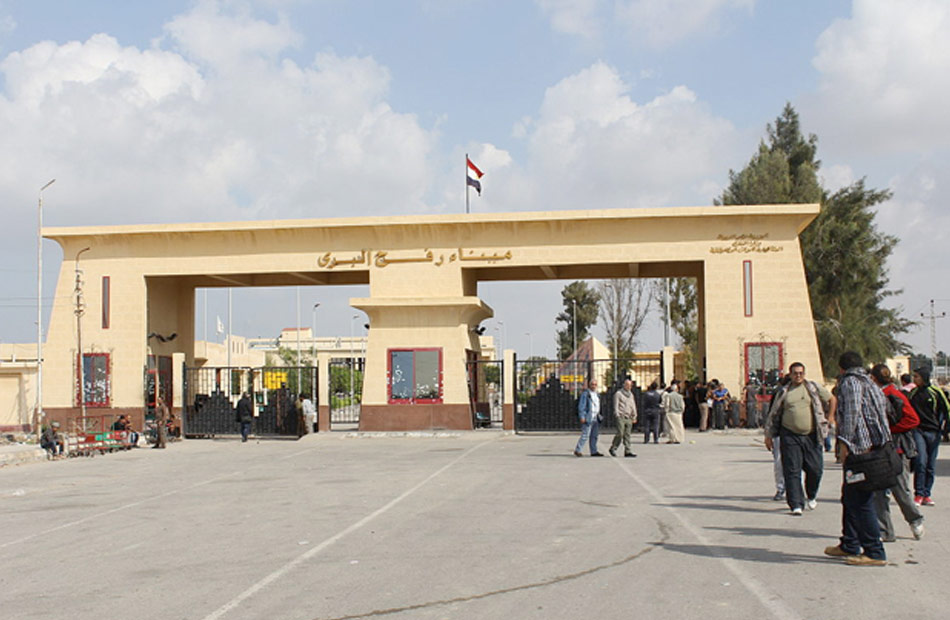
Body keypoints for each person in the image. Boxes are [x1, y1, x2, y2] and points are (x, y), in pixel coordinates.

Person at [823, 351, 889, 566]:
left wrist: (844, 444)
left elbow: (851, 415)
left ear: (841, 368)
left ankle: (874, 551)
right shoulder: (870, 383)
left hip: (861, 451)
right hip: (875, 448)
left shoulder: (850, 383)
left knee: (861, 500)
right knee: (850, 496)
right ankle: (849, 543)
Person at [764, 362, 836, 516]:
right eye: (795, 373)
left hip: (811, 435)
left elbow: (832, 399)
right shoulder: (784, 392)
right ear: (790, 374)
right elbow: (773, 414)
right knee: (792, 470)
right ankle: (796, 504)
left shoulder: (813, 388)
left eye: (801, 373)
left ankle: (811, 494)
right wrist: (768, 436)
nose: (798, 376)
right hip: (790, 435)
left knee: (815, 469)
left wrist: (830, 417)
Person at [869, 364, 924, 541]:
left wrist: (891, 430)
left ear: (874, 378)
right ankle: (885, 530)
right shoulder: (880, 394)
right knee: (878, 491)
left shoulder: (893, 394)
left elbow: (913, 419)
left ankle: (914, 520)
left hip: (897, 449)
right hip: (880, 449)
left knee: (899, 489)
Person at [908, 367, 950, 506]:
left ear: (924, 377)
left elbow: (947, 409)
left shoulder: (936, 392)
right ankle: (919, 493)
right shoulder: (913, 393)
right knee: (921, 462)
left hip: (934, 432)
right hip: (918, 431)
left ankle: (927, 494)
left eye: (917, 377)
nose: (914, 379)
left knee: (930, 465)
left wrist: (946, 429)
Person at [768, 376, 791, 501]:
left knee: (795, 462)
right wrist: (769, 434)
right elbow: (772, 414)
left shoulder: (804, 392)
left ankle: (794, 489)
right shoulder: (779, 393)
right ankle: (781, 488)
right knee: (779, 461)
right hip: (780, 432)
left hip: (797, 433)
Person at [609, 379, 638, 458]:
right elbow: (616, 405)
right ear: (624, 385)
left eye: (630, 385)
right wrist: (617, 414)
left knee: (627, 434)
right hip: (621, 416)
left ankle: (628, 451)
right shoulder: (618, 394)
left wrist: (634, 416)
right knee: (620, 433)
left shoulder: (631, 395)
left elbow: (633, 405)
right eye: (627, 385)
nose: (629, 387)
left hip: (629, 417)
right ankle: (613, 448)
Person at [574, 379, 603, 457]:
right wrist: (582, 416)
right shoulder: (586, 394)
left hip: (596, 417)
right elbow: (582, 406)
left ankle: (594, 451)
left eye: (595, 384)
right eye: (592, 384)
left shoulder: (597, 394)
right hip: (588, 417)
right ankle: (578, 450)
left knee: (594, 435)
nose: (594, 386)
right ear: (589, 385)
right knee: (585, 435)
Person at [662, 379, 686, 444]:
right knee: (679, 426)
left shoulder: (668, 395)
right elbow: (683, 405)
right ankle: (679, 438)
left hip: (671, 412)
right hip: (678, 413)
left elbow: (667, 404)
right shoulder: (680, 396)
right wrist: (682, 411)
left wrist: (666, 411)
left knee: (671, 426)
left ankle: (673, 439)